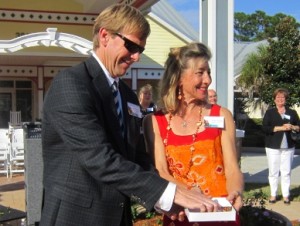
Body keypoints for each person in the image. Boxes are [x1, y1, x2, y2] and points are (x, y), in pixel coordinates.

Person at [40, 4, 220, 226]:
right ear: (105, 36)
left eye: (140, 50)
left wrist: (168, 199)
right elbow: (99, 158)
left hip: (118, 217)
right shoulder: (71, 84)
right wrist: (168, 193)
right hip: (76, 217)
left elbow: (135, 156)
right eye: (131, 46)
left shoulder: (127, 96)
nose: (136, 57)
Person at [143, 42, 244, 225]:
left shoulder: (221, 115)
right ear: (179, 77)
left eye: (208, 73)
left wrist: (236, 192)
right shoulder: (155, 122)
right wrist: (189, 194)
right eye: (200, 73)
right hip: (181, 213)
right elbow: (161, 172)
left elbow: (231, 168)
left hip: (219, 214)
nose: (208, 80)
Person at [262, 88, 300, 205]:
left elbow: (298, 127)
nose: (280, 99)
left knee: (286, 172)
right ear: (274, 99)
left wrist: (292, 127)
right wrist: (281, 128)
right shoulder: (270, 112)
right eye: (278, 97)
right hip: (273, 147)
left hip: (288, 147)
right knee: (273, 172)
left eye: (282, 97)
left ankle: (286, 195)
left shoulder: (292, 112)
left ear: (285, 99)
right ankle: (273, 194)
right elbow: (265, 128)